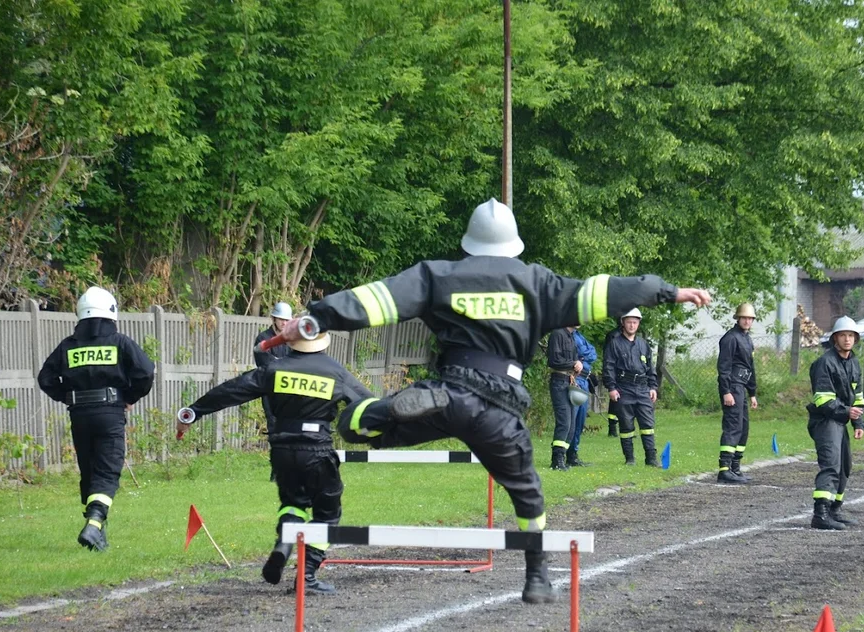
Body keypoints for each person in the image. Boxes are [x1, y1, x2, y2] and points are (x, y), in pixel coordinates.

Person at [276, 198, 712, 604]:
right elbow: (608, 292)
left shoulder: (438, 275)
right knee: (527, 489)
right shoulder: (538, 283)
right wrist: (667, 290)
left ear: (469, 243)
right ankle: (537, 574)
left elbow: (375, 301)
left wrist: (315, 319)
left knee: (364, 430)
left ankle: (373, 412)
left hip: (448, 391)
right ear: (514, 243)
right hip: (500, 403)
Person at [177, 326, 371, 594]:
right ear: (322, 342)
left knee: (293, 503)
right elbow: (368, 404)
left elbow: (232, 390)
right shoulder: (334, 371)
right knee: (328, 514)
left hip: (281, 449)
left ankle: (283, 544)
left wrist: (194, 411)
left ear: (292, 343)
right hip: (317, 449)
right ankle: (307, 576)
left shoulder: (275, 369)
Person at [37, 287, 155, 551]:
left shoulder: (68, 346)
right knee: (107, 470)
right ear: (111, 314)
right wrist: (130, 397)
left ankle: (97, 531)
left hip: (79, 415)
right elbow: (146, 372)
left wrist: (67, 397)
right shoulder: (121, 343)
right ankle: (94, 522)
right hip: (110, 413)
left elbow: (45, 378)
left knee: (89, 469)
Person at [806, 316, 864, 531]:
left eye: (851, 335)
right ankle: (820, 514)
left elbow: (857, 396)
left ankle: (834, 509)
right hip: (825, 421)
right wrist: (847, 411)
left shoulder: (854, 362)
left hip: (840, 420)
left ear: (856, 339)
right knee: (831, 464)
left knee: (844, 467)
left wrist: (858, 422)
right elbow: (822, 400)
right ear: (834, 339)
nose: (847, 339)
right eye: (843, 335)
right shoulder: (825, 363)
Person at [603, 307, 661, 468]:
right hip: (624, 388)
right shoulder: (614, 344)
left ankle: (651, 458)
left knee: (647, 425)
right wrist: (611, 388)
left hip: (643, 389)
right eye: (629, 322)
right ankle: (629, 459)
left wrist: (653, 387)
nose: (632, 326)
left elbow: (651, 367)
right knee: (626, 425)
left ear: (638, 324)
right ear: (623, 323)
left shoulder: (643, 344)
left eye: (635, 322)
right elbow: (608, 367)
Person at [716, 303, 758, 484]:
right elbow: (723, 367)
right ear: (738, 319)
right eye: (745, 318)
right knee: (733, 426)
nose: (747, 321)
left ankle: (735, 467)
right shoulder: (730, 338)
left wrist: (753, 392)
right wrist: (726, 391)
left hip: (742, 386)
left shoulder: (747, 339)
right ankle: (724, 470)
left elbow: (750, 367)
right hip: (732, 386)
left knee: (743, 426)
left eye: (750, 319)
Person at [254, 302, 294, 433]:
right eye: (281, 319)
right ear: (273, 319)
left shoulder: (293, 339)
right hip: (270, 391)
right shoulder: (263, 339)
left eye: (287, 320)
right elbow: (266, 366)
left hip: (290, 391)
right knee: (274, 426)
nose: (284, 323)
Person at [546, 326, 581, 470]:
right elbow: (553, 360)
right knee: (564, 422)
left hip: (569, 381)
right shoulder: (557, 333)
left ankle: (563, 457)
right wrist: (573, 364)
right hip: (559, 381)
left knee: (572, 425)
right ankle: (557, 460)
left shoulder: (571, 336)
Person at [566, 328, 598, 467]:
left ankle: (574, 453)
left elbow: (593, 353)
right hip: (575, 379)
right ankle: (565, 454)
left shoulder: (579, 335)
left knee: (580, 420)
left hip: (584, 380)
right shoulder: (566, 336)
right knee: (572, 419)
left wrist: (583, 356)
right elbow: (577, 354)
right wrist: (584, 356)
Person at [603, 327, 620, 438]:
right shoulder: (613, 335)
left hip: (627, 372)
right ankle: (612, 428)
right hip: (616, 372)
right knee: (615, 401)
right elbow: (608, 356)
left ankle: (627, 427)